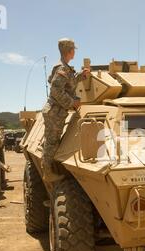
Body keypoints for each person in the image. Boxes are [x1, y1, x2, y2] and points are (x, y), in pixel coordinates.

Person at [41, 38, 90, 182]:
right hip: (55, 111)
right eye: (73, 49)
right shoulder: (62, 68)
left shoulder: (63, 67)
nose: (74, 51)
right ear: (70, 51)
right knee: (51, 142)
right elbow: (56, 90)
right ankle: (48, 173)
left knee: (53, 142)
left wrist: (81, 75)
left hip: (56, 111)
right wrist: (72, 103)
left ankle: (50, 169)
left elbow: (67, 82)